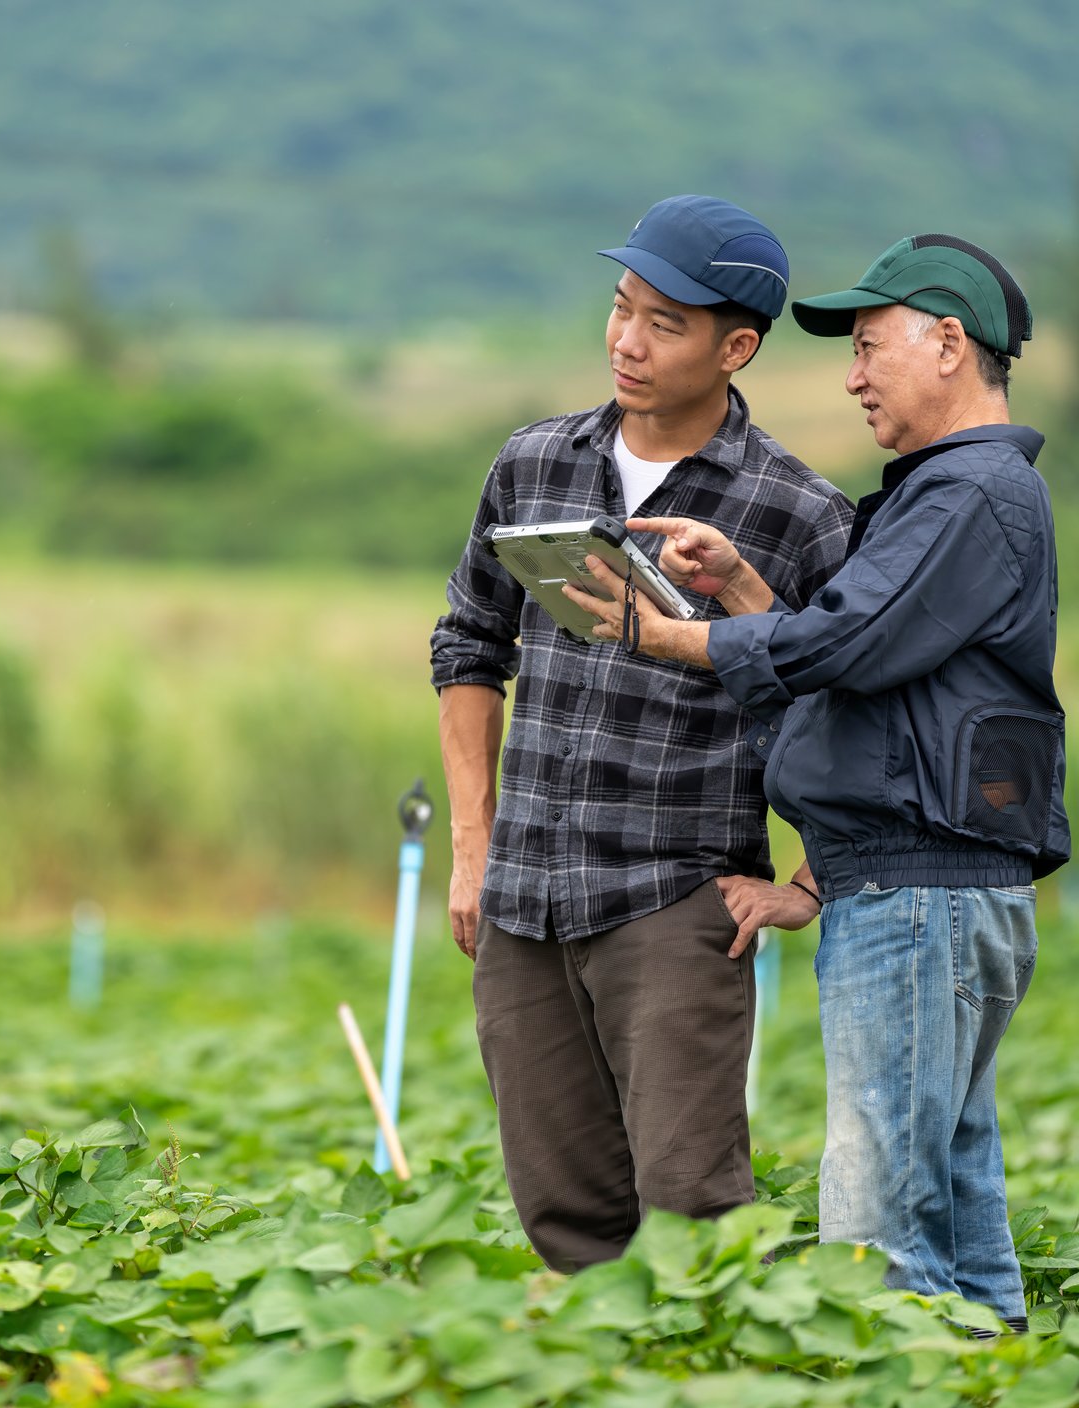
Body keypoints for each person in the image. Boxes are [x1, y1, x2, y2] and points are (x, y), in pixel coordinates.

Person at [566, 232, 1069, 1326]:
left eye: (868, 344)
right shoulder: (951, 494)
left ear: (948, 343)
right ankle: (990, 1374)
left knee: (879, 1221)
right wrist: (743, 583)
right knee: (956, 1200)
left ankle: (900, 1381)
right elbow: (869, 676)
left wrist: (667, 637)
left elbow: (839, 647)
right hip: (926, 887)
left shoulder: (969, 495)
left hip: (922, 896)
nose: (851, 374)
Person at [429, 194, 853, 1272]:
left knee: (689, 1212)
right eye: (622, 308)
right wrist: (473, 849)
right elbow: (469, 645)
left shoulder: (797, 512)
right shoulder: (533, 464)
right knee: (562, 1212)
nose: (626, 340)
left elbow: (858, 705)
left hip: (672, 904)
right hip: (522, 901)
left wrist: (812, 879)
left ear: (736, 346)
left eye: (664, 322)